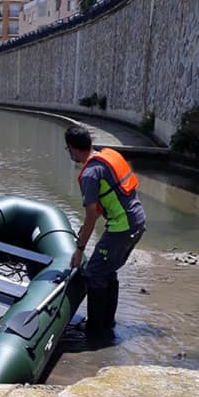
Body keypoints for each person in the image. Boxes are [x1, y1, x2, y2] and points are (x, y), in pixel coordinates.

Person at [65, 124, 146, 339]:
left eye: (68, 150)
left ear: (73, 149)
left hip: (123, 227)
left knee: (93, 272)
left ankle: (95, 329)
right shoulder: (108, 156)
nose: (70, 154)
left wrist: (79, 250)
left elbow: (91, 216)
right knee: (108, 270)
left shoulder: (90, 174)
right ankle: (107, 323)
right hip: (136, 221)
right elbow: (106, 202)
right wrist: (83, 233)